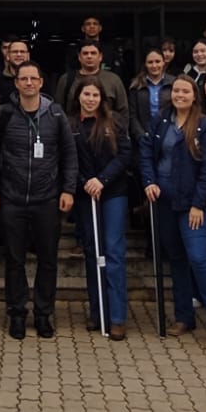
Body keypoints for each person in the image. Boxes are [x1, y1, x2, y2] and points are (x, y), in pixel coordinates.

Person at [0, 61, 78, 340]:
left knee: (48, 260)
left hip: (46, 199)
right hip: (11, 198)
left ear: (40, 82)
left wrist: (68, 189)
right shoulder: (4, 114)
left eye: (33, 79)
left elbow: (69, 155)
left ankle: (43, 313)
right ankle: (17, 312)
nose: (28, 83)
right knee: (15, 260)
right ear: (16, 83)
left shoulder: (56, 114)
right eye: (23, 79)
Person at [140, 77, 206, 348]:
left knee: (199, 259)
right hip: (165, 202)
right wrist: (149, 181)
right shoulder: (161, 120)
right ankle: (183, 317)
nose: (180, 95)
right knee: (176, 259)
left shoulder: (205, 125)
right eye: (176, 90)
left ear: (194, 95)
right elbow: (145, 152)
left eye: (185, 91)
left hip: (195, 207)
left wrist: (198, 204)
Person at [72, 81, 132, 340]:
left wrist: (102, 180)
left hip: (113, 193)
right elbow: (68, 159)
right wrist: (85, 181)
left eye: (95, 94)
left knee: (113, 251)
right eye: (86, 94)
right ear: (78, 96)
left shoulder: (115, 122)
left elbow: (125, 155)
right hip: (86, 194)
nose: (90, 99)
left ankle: (117, 317)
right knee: (92, 251)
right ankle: (97, 312)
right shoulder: (71, 125)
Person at [56, 40, 129, 123]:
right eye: (85, 53)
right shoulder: (66, 79)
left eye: (93, 53)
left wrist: (118, 129)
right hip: (73, 128)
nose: (89, 56)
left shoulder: (113, 80)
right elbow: (58, 111)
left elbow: (123, 112)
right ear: (79, 57)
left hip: (107, 128)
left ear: (100, 56)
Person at [127, 47, 174, 140]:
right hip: (144, 136)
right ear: (145, 64)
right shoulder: (136, 85)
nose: (154, 65)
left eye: (157, 61)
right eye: (150, 62)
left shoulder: (173, 83)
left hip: (169, 136)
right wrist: (141, 136)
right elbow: (132, 115)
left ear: (163, 62)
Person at [0, 40, 31, 105]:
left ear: (28, 56)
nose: (19, 54)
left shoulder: (38, 77)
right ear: (8, 56)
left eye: (22, 52)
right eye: (15, 52)